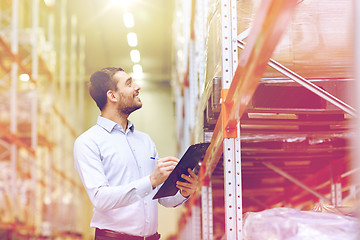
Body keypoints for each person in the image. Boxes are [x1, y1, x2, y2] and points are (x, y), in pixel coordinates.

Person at [73, 67, 199, 240]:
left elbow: (162, 198)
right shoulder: (88, 142)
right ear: (113, 96)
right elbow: (100, 199)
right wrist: (151, 181)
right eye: (129, 83)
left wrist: (185, 191)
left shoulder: (145, 140)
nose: (137, 87)